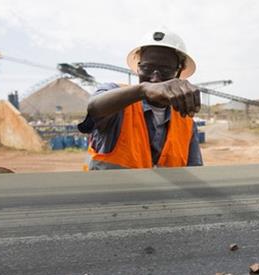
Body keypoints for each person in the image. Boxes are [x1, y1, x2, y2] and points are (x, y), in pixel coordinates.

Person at [78, 28, 203, 170]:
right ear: (138, 68)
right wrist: (144, 90)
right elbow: (94, 107)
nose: (155, 78)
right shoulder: (116, 98)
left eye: (166, 70)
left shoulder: (186, 121)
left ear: (178, 72)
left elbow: (195, 173)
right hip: (111, 191)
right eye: (147, 68)